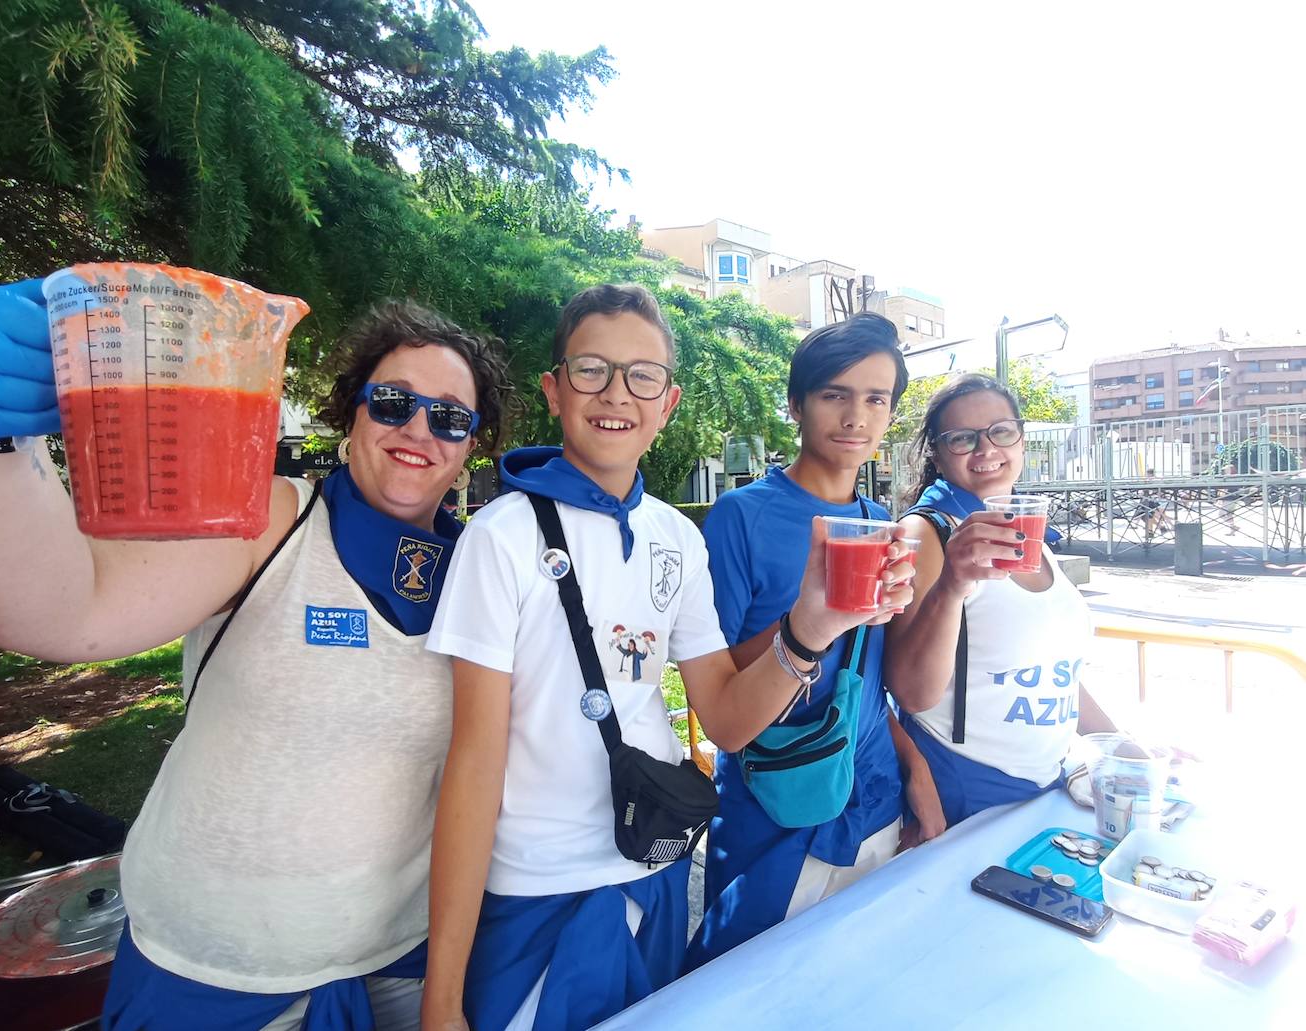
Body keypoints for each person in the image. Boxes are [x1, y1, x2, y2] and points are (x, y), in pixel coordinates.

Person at [0, 279, 511, 1031]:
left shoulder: (484, 571)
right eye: (394, 401)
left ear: (472, 445)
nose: (420, 428)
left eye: (451, 417)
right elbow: (62, 609)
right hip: (212, 981)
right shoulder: (271, 518)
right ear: (352, 410)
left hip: (400, 966)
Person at [418, 285, 913, 1031]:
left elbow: (728, 719)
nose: (617, 393)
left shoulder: (674, 536)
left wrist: (812, 627)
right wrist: (441, 996)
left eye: (642, 375)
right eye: (592, 370)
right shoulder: (501, 534)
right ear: (554, 390)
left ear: (670, 400)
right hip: (537, 891)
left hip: (654, 871)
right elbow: (473, 760)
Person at [684, 313, 944, 973]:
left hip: (875, 799)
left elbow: (868, 680)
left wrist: (914, 766)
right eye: (835, 393)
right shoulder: (740, 518)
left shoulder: (880, 522)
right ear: (796, 404)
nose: (857, 415)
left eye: (876, 398)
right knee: (750, 993)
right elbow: (731, 702)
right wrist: (815, 618)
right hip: (776, 816)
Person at [887, 373, 1117, 828]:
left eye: (1001, 431)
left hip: (1044, 782)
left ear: (1022, 439)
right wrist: (953, 585)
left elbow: (1056, 672)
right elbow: (912, 694)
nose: (987, 449)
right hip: (965, 783)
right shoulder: (927, 533)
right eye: (963, 438)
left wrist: (1118, 743)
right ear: (936, 451)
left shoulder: (1032, 537)